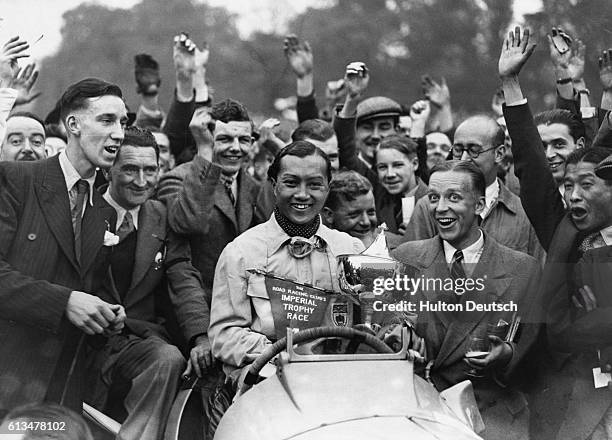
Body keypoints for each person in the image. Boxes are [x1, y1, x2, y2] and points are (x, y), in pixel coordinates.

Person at [498, 25, 612, 440]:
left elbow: (601, 147)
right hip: (573, 398)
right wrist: (510, 82)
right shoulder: (564, 227)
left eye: (586, 186)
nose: (575, 195)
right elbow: (529, 160)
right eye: (568, 189)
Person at [0, 77, 127, 414]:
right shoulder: (15, 179)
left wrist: (106, 314)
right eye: (107, 120)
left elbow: (86, 287)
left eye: (123, 122)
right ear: (73, 124)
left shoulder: (104, 213)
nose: (119, 133)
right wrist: (65, 302)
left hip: (61, 394)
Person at [392, 160, 541, 440]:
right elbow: (384, 335)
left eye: (454, 198)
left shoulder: (523, 269)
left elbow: (536, 354)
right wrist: (398, 336)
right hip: (421, 417)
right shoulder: (405, 258)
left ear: (480, 205)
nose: (440, 208)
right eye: (434, 198)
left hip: (493, 420)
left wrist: (508, 355)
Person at [86, 127, 211, 440]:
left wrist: (201, 336)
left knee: (168, 359)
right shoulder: (82, 210)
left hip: (138, 338)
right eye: (130, 169)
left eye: (150, 170)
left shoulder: (161, 217)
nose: (141, 181)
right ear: (108, 167)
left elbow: (182, 276)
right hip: (81, 338)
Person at [209, 140, 363, 381]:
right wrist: (280, 352)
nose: (302, 194)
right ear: (274, 185)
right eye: (291, 183)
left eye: (314, 185)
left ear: (327, 188)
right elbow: (224, 335)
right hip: (269, 376)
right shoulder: (241, 252)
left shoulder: (350, 249)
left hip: (337, 376)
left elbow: (371, 322)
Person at [158, 98, 274, 303]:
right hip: (196, 308)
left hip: (246, 309)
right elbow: (190, 223)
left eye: (244, 140)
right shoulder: (177, 180)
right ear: (207, 139)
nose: (236, 148)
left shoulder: (254, 187)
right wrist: (204, 150)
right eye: (225, 139)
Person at [405, 115, 545, 260]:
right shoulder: (428, 207)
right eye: (458, 150)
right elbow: (409, 268)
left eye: (474, 150)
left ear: (499, 153)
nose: (464, 158)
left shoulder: (524, 214)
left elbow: (536, 276)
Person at [322, 170, 378, 247]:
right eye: (354, 215)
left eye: (371, 213)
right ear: (329, 215)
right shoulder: (317, 254)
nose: (366, 222)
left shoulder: (392, 249)